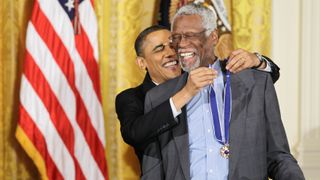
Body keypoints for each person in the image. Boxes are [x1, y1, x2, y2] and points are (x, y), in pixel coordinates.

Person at [144, 3, 304, 180]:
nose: (181, 44)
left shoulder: (255, 83)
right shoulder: (159, 98)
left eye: (190, 36)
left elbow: (278, 157)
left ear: (213, 36)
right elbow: (152, 172)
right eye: (176, 37)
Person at [116, 24, 280, 179]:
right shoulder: (132, 98)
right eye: (159, 49)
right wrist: (186, 93)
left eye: (173, 46)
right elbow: (134, 133)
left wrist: (258, 60)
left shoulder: (199, 74)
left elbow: (262, 79)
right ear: (141, 62)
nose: (170, 53)